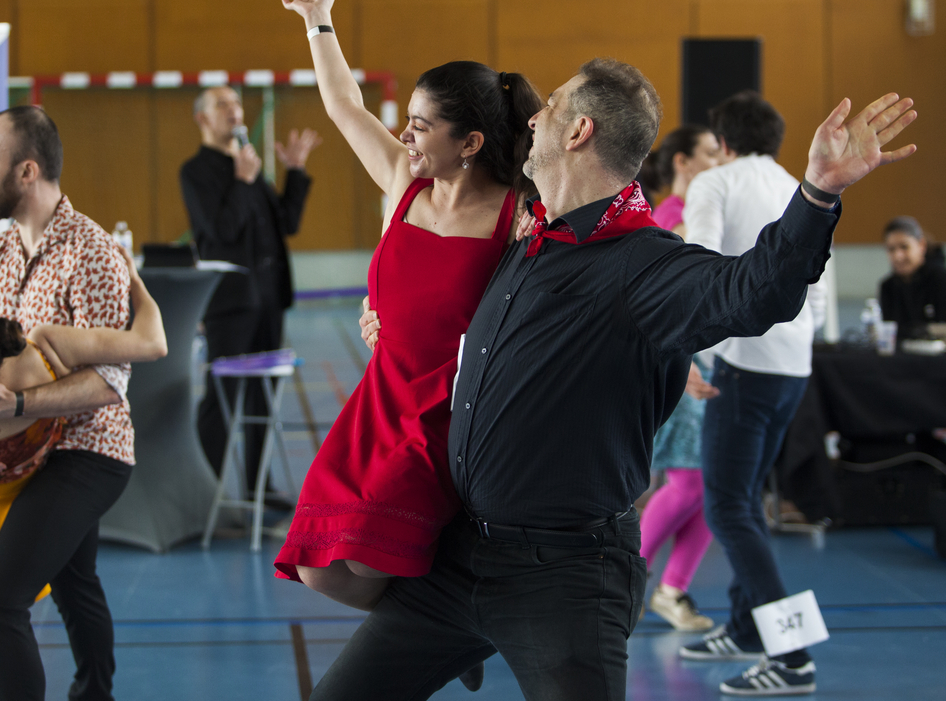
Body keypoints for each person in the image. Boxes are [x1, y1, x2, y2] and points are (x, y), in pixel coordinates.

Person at [309, 51, 915, 700]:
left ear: (578, 132)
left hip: (564, 578)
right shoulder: (526, 236)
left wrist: (817, 194)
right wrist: (386, 316)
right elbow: (443, 298)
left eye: (554, 107)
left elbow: (754, 290)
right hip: (458, 559)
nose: (534, 118)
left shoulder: (645, 265)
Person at [273, 0, 539, 626]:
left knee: (368, 562)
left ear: (470, 143)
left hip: (448, 408)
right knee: (317, 567)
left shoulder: (518, 214)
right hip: (380, 395)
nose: (407, 136)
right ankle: (454, 621)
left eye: (422, 127)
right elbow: (344, 106)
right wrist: (319, 21)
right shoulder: (403, 182)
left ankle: (450, 624)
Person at [0, 105, 137, 701]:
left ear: (26, 172)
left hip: (88, 451)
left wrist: (15, 409)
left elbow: (109, 383)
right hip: (28, 448)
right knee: (75, 581)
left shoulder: (91, 251)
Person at [0, 245, 165, 701]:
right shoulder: (45, 347)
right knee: (56, 590)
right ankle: (94, 691)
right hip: (31, 480)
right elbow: (151, 343)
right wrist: (137, 286)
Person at [678, 91, 830, 694]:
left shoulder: (715, 184)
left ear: (723, 141)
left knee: (728, 507)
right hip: (793, 366)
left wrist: (693, 353)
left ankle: (792, 656)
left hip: (741, 365)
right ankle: (743, 627)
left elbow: (703, 268)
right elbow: (817, 282)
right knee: (744, 498)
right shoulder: (802, 186)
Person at [180, 86, 321, 506]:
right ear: (203, 119)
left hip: (269, 299)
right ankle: (204, 491)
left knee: (263, 395)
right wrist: (242, 181)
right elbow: (220, 230)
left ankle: (260, 486)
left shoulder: (249, 166)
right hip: (230, 305)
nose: (234, 110)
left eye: (236, 103)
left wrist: (294, 171)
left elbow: (286, 223)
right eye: (221, 104)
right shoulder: (197, 172)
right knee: (222, 398)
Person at [636, 125, 724, 630]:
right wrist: (685, 361)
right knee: (690, 481)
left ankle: (673, 590)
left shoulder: (709, 212)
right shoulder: (668, 219)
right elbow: (664, 308)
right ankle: (626, 579)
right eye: (712, 153)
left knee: (711, 486)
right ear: (684, 163)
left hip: (711, 363)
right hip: (682, 365)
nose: (722, 159)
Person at [879, 215, 946, 340]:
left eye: (904, 247)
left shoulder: (940, 279)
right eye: (891, 249)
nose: (898, 256)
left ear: (921, 245)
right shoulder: (887, 287)